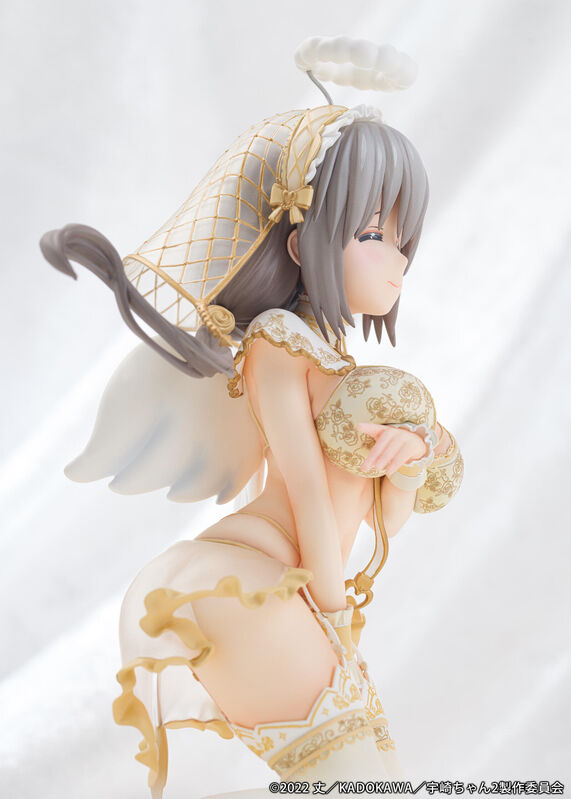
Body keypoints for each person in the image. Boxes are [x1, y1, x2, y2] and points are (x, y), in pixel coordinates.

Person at [39, 38, 463, 799]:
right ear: (301, 242)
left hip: (292, 583)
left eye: (402, 239)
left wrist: (407, 460)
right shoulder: (276, 341)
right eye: (372, 235)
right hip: (250, 580)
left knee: (370, 778)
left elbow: (379, 521)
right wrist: (333, 613)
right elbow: (304, 486)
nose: (397, 260)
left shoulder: (333, 358)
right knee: (355, 778)